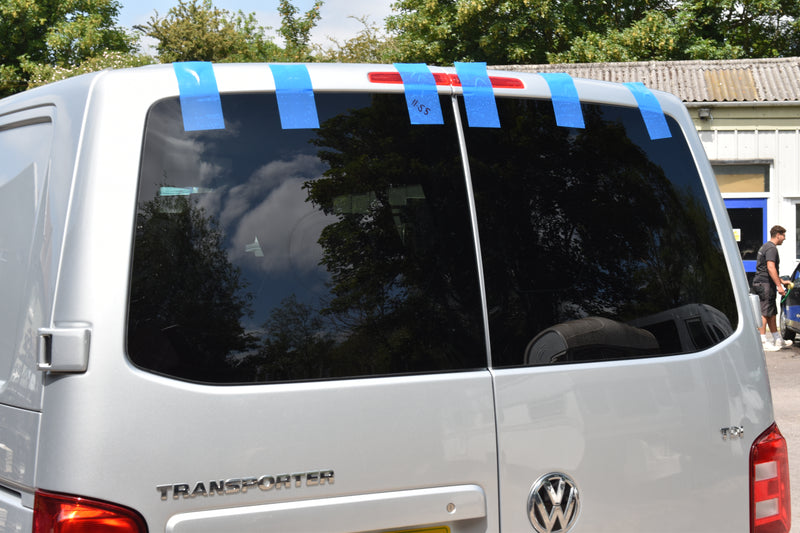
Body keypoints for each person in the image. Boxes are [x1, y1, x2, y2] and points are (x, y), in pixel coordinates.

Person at [753, 225, 792, 350]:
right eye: (783, 236)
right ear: (778, 235)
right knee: (764, 312)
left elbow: (766, 268)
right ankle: (763, 341)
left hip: (763, 283)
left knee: (771, 312)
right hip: (765, 284)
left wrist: (781, 281)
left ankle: (777, 339)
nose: (784, 239)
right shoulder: (771, 248)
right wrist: (779, 286)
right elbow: (770, 267)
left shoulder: (765, 246)